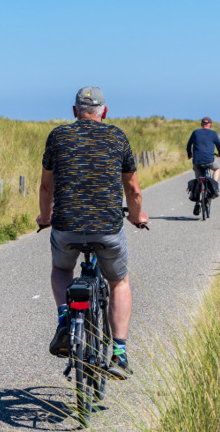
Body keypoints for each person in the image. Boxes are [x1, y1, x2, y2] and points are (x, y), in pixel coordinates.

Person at [37, 86, 148, 380]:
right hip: (107, 229)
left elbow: (46, 187)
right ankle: (120, 354)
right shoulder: (117, 137)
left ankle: (64, 320)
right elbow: (133, 190)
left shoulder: (58, 136)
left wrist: (44, 217)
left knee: (61, 269)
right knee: (119, 282)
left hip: (66, 227)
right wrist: (137, 218)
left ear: (75, 112)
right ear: (105, 112)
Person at [187, 116, 220, 215]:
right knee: (217, 168)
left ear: (201, 124)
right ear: (210, 124)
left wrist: (190, 155)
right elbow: (219, 146)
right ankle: (214, 185)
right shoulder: (213, 133)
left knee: (199, 179)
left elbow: (188, 145)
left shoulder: (195, 132)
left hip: (197, 161)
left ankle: (197, 203)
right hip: (210, 160)